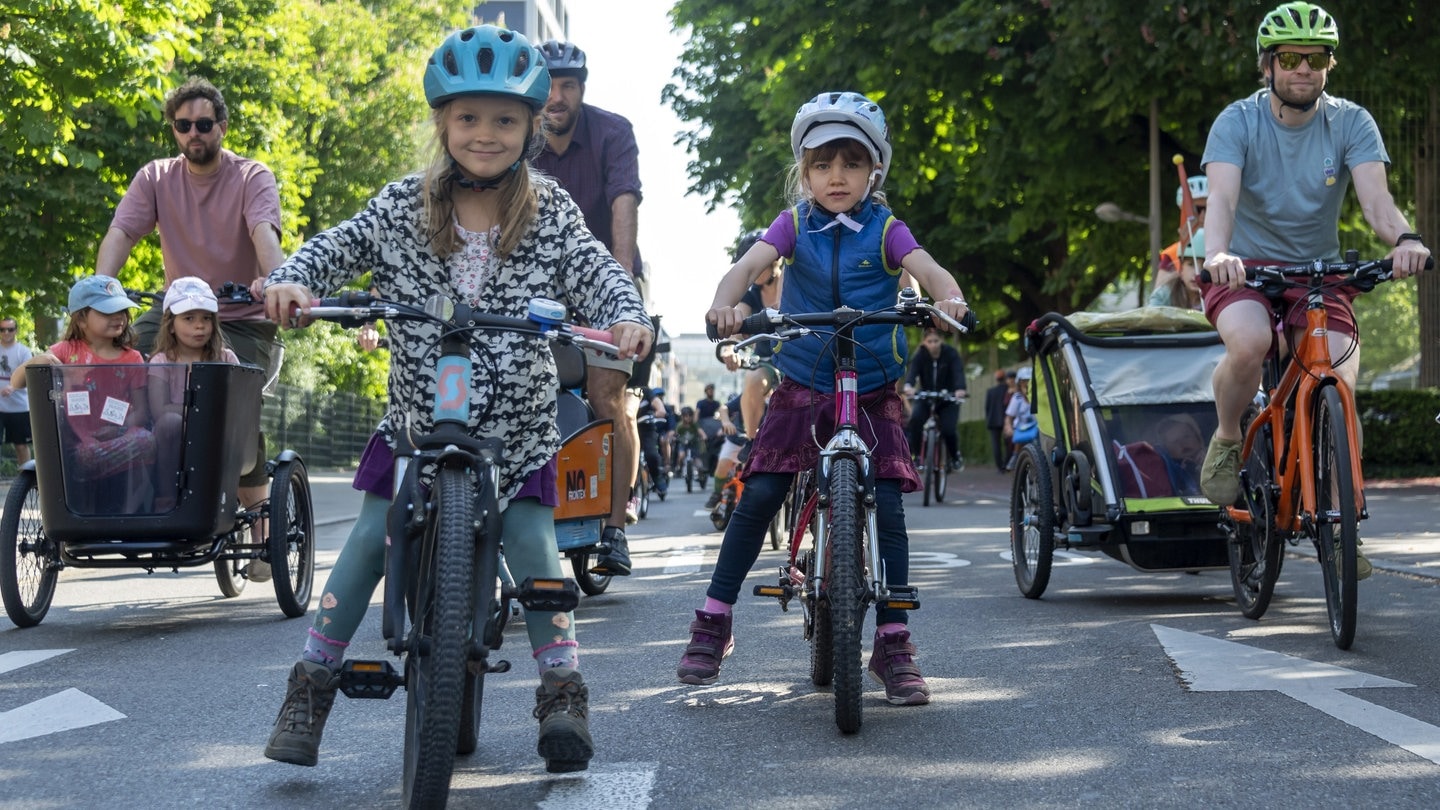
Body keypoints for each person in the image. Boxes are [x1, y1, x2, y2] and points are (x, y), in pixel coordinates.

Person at [259, 25, 652, 774]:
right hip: (415, 421)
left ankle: (561, 689)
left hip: (518, 426)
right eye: (468, 117)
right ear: (442, 122)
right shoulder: (403, 204)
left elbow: (599, 271)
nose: (485, 134)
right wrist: (296, 280)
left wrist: (625, 314)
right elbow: (331, 246)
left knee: (537, 550)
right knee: (370, 539)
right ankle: (310, 687)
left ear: (534, 127)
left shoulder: (553, 211)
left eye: (505, 119)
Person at [677, 91, 971, 706]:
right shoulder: (793, 225)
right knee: (758, 491)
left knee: (887, 504)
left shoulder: (888, 229)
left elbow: (930, 269)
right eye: (820, 164)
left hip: (871, 382)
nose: (835, 177)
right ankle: (714, 618)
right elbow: (744, 267)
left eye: (851, 163)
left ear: (874, 171)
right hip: (805, 377)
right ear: (803, 171)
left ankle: (893, 640)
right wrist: (725, 304)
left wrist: (947, 299)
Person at [1198, 1, 1430, 565]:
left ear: (1329, 64)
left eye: (1317, 57)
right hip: (1246, 269)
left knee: (1339, 382)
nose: (1304, 68)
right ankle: (1230, 435)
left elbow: (1376, 202)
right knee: (1250, 343)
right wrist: (1220, 253)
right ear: (1267, 65)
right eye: (1291, 57)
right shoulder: (1237, 121)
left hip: (1319, 274)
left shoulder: (1351, 121)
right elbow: (1222, 198)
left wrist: (1404, 241)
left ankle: (1338, 522)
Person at [94, 75, 286, 576]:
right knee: (117, 359)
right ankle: (126, 478)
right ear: (174, 131)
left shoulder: (250, 176)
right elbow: (122, 232)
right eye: (184, 126)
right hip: (177, 309)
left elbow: (263, 232)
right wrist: (99, 294)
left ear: (221, 126)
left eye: (204, 124)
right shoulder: (156, 177)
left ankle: (260, 527)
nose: (194, 133)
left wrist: (276, 280)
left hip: (240, 315)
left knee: (234, 396)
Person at [535, 40, 645, 576]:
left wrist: (620, 294)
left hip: (605, 283)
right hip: (538, 286)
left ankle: (616, 528)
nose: (557, 97)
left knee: (607, 394)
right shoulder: (518, 133)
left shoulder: (612, 132)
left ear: (582, 89)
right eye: (550, 85)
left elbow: (623, 203)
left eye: (569, 86)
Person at [10, 276, 155, 511]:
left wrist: (119, 429)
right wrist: (38, 361)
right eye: (108, 311)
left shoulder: (133, 358)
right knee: (85, 454)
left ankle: (130, 514)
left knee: (147, 439)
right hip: (77, 446)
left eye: (122, 310)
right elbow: (17, 382)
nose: (119, 317)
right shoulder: (65, 352)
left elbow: (141, 410)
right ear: (81, 318)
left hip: (120, 438)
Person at [147, 277, 240, 511]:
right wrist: (202, 412)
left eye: (206, 318)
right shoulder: (161, 362)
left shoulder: (226, 358)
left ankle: (221, 500)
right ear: (171, 323)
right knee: (169, 422)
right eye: (189, 319)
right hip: (174, 439)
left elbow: (237, 404)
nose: (200, 326)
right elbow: (160, 410)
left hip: (216, 435)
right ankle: (166, 501)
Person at [903, 327, 967, 471]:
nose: (933, 344)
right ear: (924, 342)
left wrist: (960, 389)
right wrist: (908, 386)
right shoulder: (920, 355)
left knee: (949, 429)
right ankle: (918, 456)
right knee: (915, 420)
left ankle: (955, 456)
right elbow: (912, 373)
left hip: (947, 398)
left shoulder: (951, 354)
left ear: (942, 341)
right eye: (929, 341)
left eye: (936, 341)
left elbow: (958, 372)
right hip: (926, 396)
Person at [1155, 176, 1209, 293]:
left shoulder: (1232, 251)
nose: (1203, 216)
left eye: (1209, 209)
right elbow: (1158, 303)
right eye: (1197, 209)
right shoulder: (1172, 254)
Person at [0, 317, 34, 466]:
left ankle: (26, 479)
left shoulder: (24, 351)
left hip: (19, 407)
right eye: (2, 329)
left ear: (16, 331)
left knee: (21, 445)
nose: (6, 332)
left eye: (10, 329)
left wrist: (13, 387)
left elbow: (28, 375)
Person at [1148, 229, 1205, 311]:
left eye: (1204, 265)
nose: (1197, 273)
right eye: (1191, 264)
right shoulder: (1163, 295)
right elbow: (1151, 317)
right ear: (1181, 269)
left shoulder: (1219, 297)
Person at [1003, 367, 1035, 471]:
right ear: (1019, 384)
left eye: (1029, 381)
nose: (1026, 384)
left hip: (1036, 427)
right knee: (1019, 438)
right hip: (1022, 426)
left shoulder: (1037, 396)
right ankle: (1015, 456)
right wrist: (1008, 427)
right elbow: (1009, 417)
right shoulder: (1017, 398)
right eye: (1023, 381)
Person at [983, 369, 1010, 474]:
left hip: (993, 421)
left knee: (996, 445)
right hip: (1006, 419)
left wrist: (988, 419)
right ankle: (1007, 463)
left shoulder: (990, 391)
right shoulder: (1007, 390)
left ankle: (1000, 467)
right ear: (1004, 378)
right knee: (1008, 444)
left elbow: (987, 407)